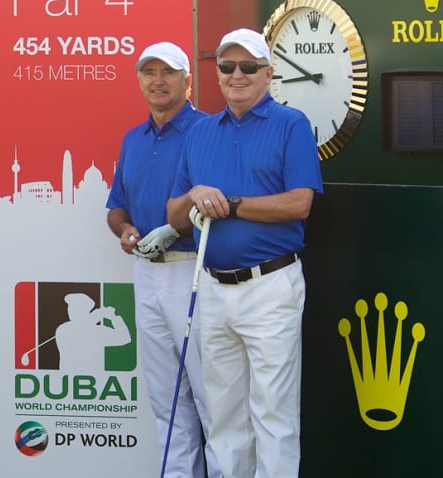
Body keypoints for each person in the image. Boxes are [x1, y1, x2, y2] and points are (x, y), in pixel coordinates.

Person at [166, 28, 323, 477]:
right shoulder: (200, 132)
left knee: (272, 413)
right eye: (227, 66)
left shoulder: (290, 125)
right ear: (216, 74)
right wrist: (196, 192)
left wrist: (230, 204)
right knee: (223, 415)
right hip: (214, 288)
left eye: (248, 66)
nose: (237, 75)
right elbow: (175, 215)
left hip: (270, 286)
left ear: (268, 74)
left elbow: (300, 204)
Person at [106, 42, 219, 478]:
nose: (158, 80)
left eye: (168, 72)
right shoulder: (133, 139)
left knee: (211, 397)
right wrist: (126, 230)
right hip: (147, 274)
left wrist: (175, 227)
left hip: (194, 270)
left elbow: (214, 201)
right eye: (149, 72)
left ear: (187, 81)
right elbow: (116, 206)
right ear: (139, 80)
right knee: (165, 397)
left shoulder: (209, 130)